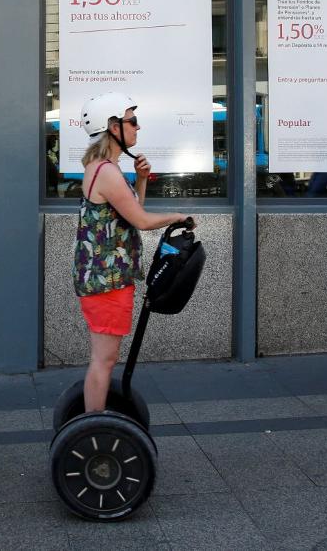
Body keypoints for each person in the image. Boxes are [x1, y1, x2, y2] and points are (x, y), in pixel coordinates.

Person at [75, 92, 193, 413]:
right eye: (132, 121)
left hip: (107, 278)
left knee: (105, 358)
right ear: (113, 127)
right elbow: (141, 221)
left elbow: (131, 213)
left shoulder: (107, 168)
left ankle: (92, 422)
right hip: (106, 281)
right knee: (104, 359)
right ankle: (92, 428)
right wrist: (177, 216)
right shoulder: (107, 172)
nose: (137, 128)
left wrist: (141, 181)